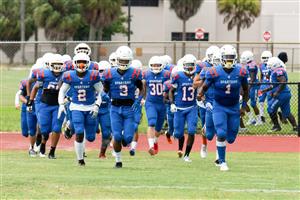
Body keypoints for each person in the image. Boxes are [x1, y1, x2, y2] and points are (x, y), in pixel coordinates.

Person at [198, 45, 249, 171]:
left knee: (231, 138)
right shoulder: (214, 71)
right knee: (220, 133)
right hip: (219, 106)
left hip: (234, 107)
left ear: (235, 58)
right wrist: (200, 94)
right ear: (222, 58)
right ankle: (222, 162)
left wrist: (243, 106)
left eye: (231, 58)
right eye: (227, 58)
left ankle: (221, 157)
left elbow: (246, 89)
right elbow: (205, 86)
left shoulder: (241, 71)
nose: (229, 60)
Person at [102, 46, 143, 168]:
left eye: (126, 61)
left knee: (128, 138)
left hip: (129, 107)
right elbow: (104, 89)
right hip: (114, 108)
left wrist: (138, 100)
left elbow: (141, 88)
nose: (124, 63)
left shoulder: (135, 73)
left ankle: (124, 144)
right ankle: (118, 160)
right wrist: (103, 95)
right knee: (117, 136)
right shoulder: (109, 73)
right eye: (122, 60)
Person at [58, 53, 103, 166]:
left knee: (91, 138)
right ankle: (80, 160)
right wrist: (61, 104)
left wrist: (97, 105)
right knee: (79, 132)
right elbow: (62, 91)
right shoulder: (69, 76)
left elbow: (101, 92)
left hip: (90, 107)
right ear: (74, 63)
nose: (81, 65)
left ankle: (70, 125)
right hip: (76, 107)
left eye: (84, 62)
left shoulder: (93, 75)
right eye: (79, 62)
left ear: (88, 63)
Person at [27, 54, 65, 159]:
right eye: (55, 65)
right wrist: (30, 100)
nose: (57, 67)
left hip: (58, 104)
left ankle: (52, 151)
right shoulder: (44, 74)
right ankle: (43, 142)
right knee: (44, 129)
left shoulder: (66, 75)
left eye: (59, 65)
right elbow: (35, 88)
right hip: (45, 104)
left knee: (56, 128)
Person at [169, 54, 198, 162]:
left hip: (192, 107)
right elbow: (171, 91)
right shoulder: (178, 76)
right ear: (183, 65)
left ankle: (187, 155)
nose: (190, 67)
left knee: (191, 130)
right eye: (187, 65)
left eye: (191, 65)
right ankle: (180, 149)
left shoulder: (197, 75)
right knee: (178, 133)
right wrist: (172, 103)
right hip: (179, 108)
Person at [193, 45, 220, 159]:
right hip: (206, 100)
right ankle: (204, 145)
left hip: (219, 100)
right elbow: (195, 83)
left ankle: (219, 154)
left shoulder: (223, 67)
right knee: (206, 128)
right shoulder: (204, 67)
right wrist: (207, 82)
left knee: (219, 126)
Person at [261, 57, 298, 132]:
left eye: (270, 65)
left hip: (281, 95)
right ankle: (295, 127)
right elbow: (273, 85)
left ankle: (276, 126)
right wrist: (266, 90)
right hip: (285, 94)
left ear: (275, 65)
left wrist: (277, 92)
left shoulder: (278, 71)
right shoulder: (275, 71)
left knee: (270, 109)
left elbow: (283, 81)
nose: (269, 66)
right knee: (287, 112)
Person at [143, 56, 170, 155]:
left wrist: (167, 97)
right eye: (153, 65)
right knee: (152, 122)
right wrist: (143, 98)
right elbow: (143, 86)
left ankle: (155, 141)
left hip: (162, 104)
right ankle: (150, 146)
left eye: (157, 65)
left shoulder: (166, 74)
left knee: (158, 128)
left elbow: (170, 87)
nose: (155, 67)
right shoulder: (146, 74)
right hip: (151, 102)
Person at [240, 50, 262, 126]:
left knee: (253, 104)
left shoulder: (252, 65)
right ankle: (251, 118)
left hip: (253, 86)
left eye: (244, 58)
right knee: (244, 102)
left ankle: (259, 120)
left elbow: (252, 79)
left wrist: (247, 89)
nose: (242, 59)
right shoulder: (247, 65)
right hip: (248, 85)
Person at [129, 59, 144, 156]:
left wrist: (140, 100)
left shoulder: (141, 80)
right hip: (126, 103)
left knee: (135, 126)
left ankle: (133, 148)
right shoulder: (127, 78)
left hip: (136, 104)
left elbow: (143, 91)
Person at [97, 60, 112, 159]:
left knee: (107, 133)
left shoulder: (112, 81)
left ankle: (102, 153)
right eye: (101, 71)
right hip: (94, 108)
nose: (103, 74)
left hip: (106, 109)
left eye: (105, 71)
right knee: (91, 134)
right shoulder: (93, 79)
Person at [258, 51, 272, 123]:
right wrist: (260, 83)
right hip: (263, 85)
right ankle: (262, 116)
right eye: (264, 58)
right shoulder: (261, 65)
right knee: (261, 102)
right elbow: (261, 74)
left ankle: (273, 117)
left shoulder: (272, 64)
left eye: (266, 58)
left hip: (269, 85)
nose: (265, 59)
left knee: (270, 102)